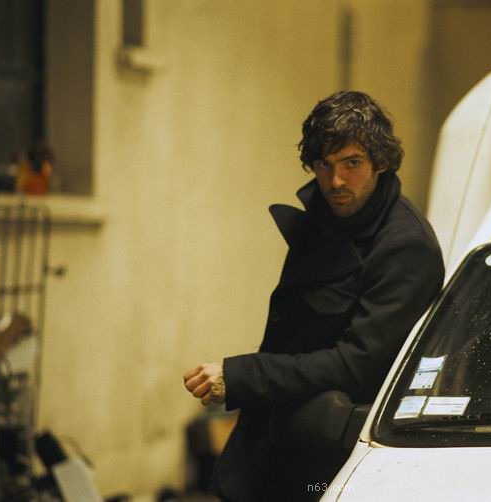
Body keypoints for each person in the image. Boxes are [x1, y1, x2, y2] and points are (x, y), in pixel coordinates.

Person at [183, 91, 444, 501]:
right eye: (324, 165)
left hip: (334, 457)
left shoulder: (405, 246)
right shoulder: (327, 218)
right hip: (274, 439)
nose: (336, 181)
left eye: (352, 164)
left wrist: (242, 376)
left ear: (380, 161)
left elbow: (356, 365)